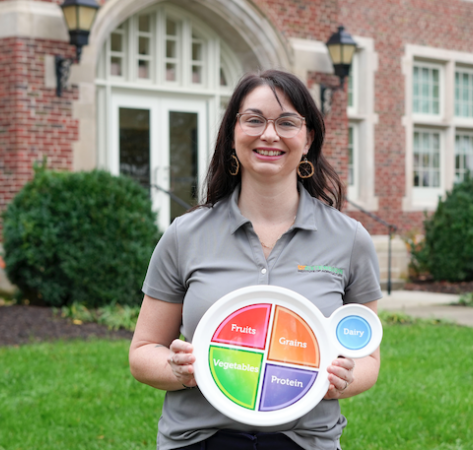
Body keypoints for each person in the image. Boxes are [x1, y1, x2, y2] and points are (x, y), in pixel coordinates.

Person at [129, 69, 382, 450]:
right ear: (232, 134)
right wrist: (177, 369)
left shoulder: (350, 240)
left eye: (286, 122)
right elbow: (143, 351)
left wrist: (345, 378)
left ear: (308, 137)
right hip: (200, 440)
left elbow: (369, 360)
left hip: (303, 440)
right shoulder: (185, 235)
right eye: (254, 120)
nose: (269, 134)